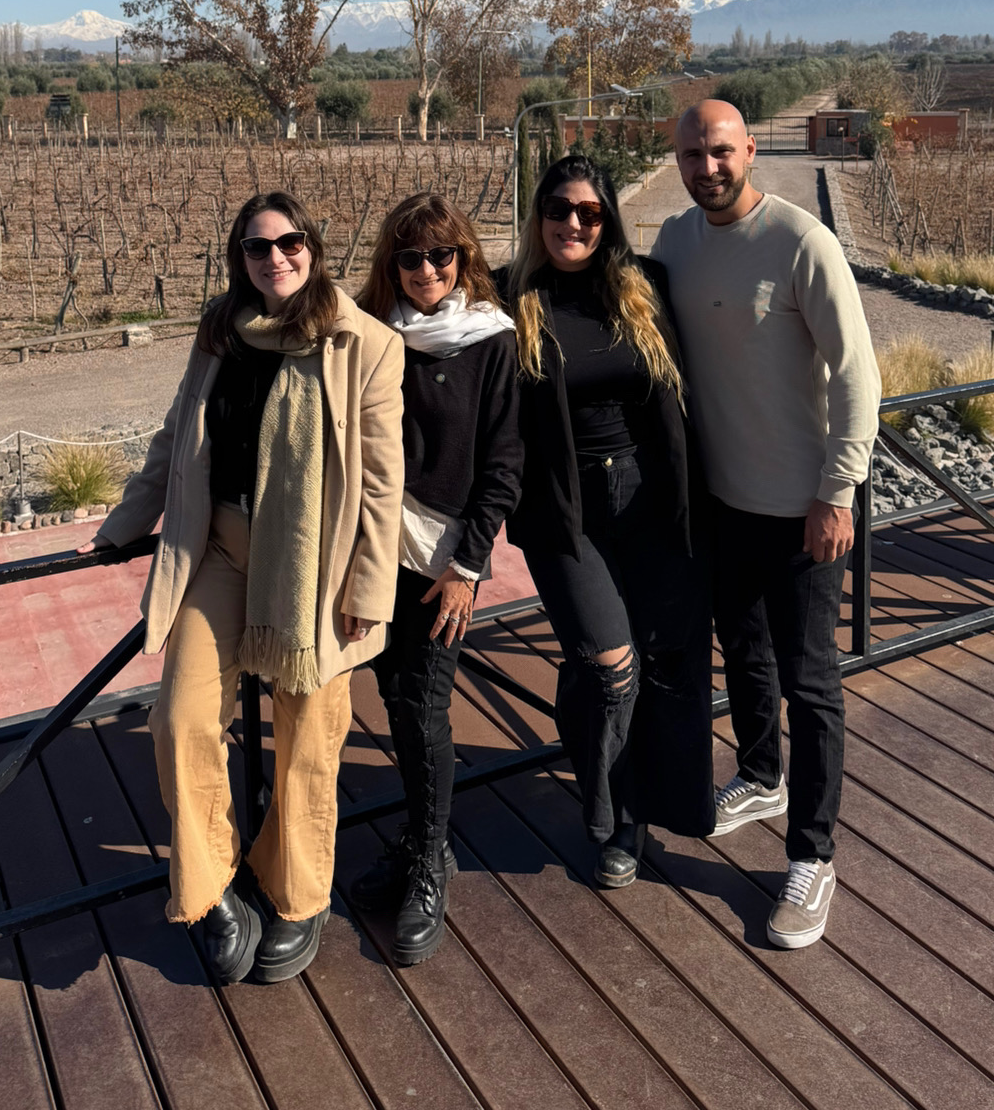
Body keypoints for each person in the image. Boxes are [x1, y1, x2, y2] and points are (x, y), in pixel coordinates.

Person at [77, 190, 404, 985]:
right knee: (180, 721)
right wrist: (129, 517)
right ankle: (213, 885)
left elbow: (382, 483)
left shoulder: (364, 343)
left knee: (307, 741)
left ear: (313, 248)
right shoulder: (222, 328)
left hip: (313, 569)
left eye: (290, 242)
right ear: (240, 260)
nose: (276, 258)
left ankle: (299, 896)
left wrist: (370, 588)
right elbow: (178, 427)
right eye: (258, 248)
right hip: (218, 549)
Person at [652, 101, 880, 949]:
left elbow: (859, 377)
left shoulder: (801, 244)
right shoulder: (676, 242)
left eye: (720, 151)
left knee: (811, 683)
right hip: (719, 503)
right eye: (691, 154)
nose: (706, 166)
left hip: (800, 512)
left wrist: (838, 492)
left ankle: (813, 857)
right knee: (741, 651)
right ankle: (760, 775)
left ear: (749, 150)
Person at [497, 153, 712, 887]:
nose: (574, 224)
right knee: (610, 665)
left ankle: (634, 815)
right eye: (560, 208)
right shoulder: (509, 296)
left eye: (591, 212)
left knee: (650, 662)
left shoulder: (643, 288)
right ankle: (605, 807)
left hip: (649, 502)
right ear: (539, 215)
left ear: (609, 220)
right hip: (565, 513)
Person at [351, 193, 521, 963]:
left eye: (440, 257)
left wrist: (467, 569)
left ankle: (429, 861)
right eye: (410, 258)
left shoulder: (491, 340)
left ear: (463, 260)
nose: (425, 271)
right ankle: (422, 841)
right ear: (392, 263)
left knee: (424, 705)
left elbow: (504, 466)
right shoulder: (367, 333)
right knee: (393, 694)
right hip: (371, 548)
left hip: (444, 556)